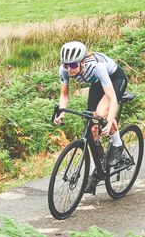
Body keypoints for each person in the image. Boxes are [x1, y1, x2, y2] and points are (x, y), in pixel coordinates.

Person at [54, 40, 127, 192]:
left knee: (101, 114)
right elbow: (64, 94)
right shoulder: (64, 70)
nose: (69, 69)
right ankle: (99, 168)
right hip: (97, 83)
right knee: (93, 128)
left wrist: (108, 123)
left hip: (115, 79)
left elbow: (113, 99)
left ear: (82, 62)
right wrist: (61, 112)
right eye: (66, 65)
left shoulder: (96, 67)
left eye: (73, 65)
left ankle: (118, 146)